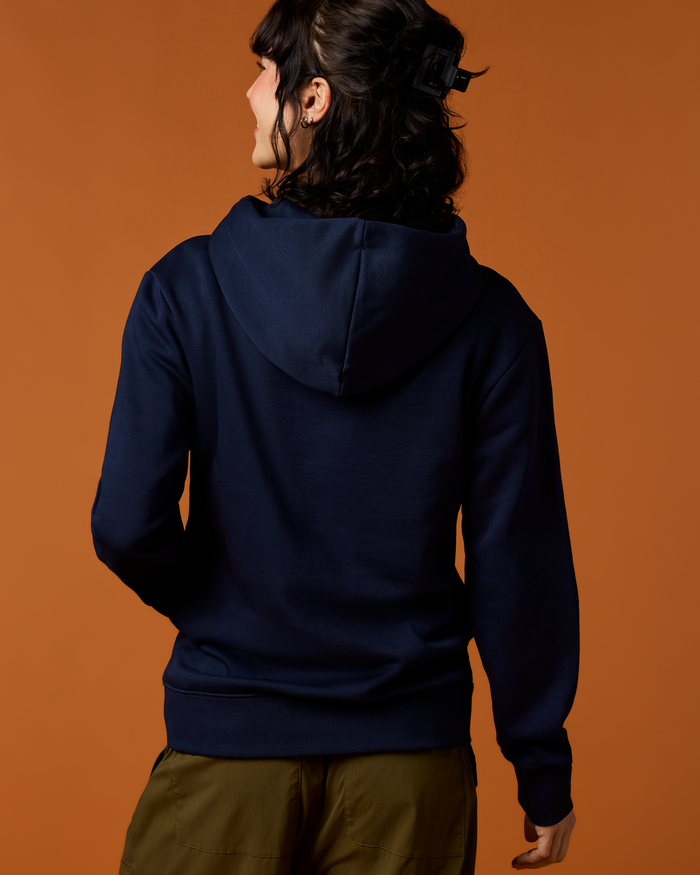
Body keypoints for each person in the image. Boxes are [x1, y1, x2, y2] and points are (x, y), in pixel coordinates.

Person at [92, 0, 579, 872]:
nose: (251, 93)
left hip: (227, 750)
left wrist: (222, 606)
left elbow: (128, 524)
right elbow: (519, 564)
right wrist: (540, 763)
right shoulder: (495, 322)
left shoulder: (184, 290)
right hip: (409, 769)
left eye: (263, 71)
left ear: (313, 98)